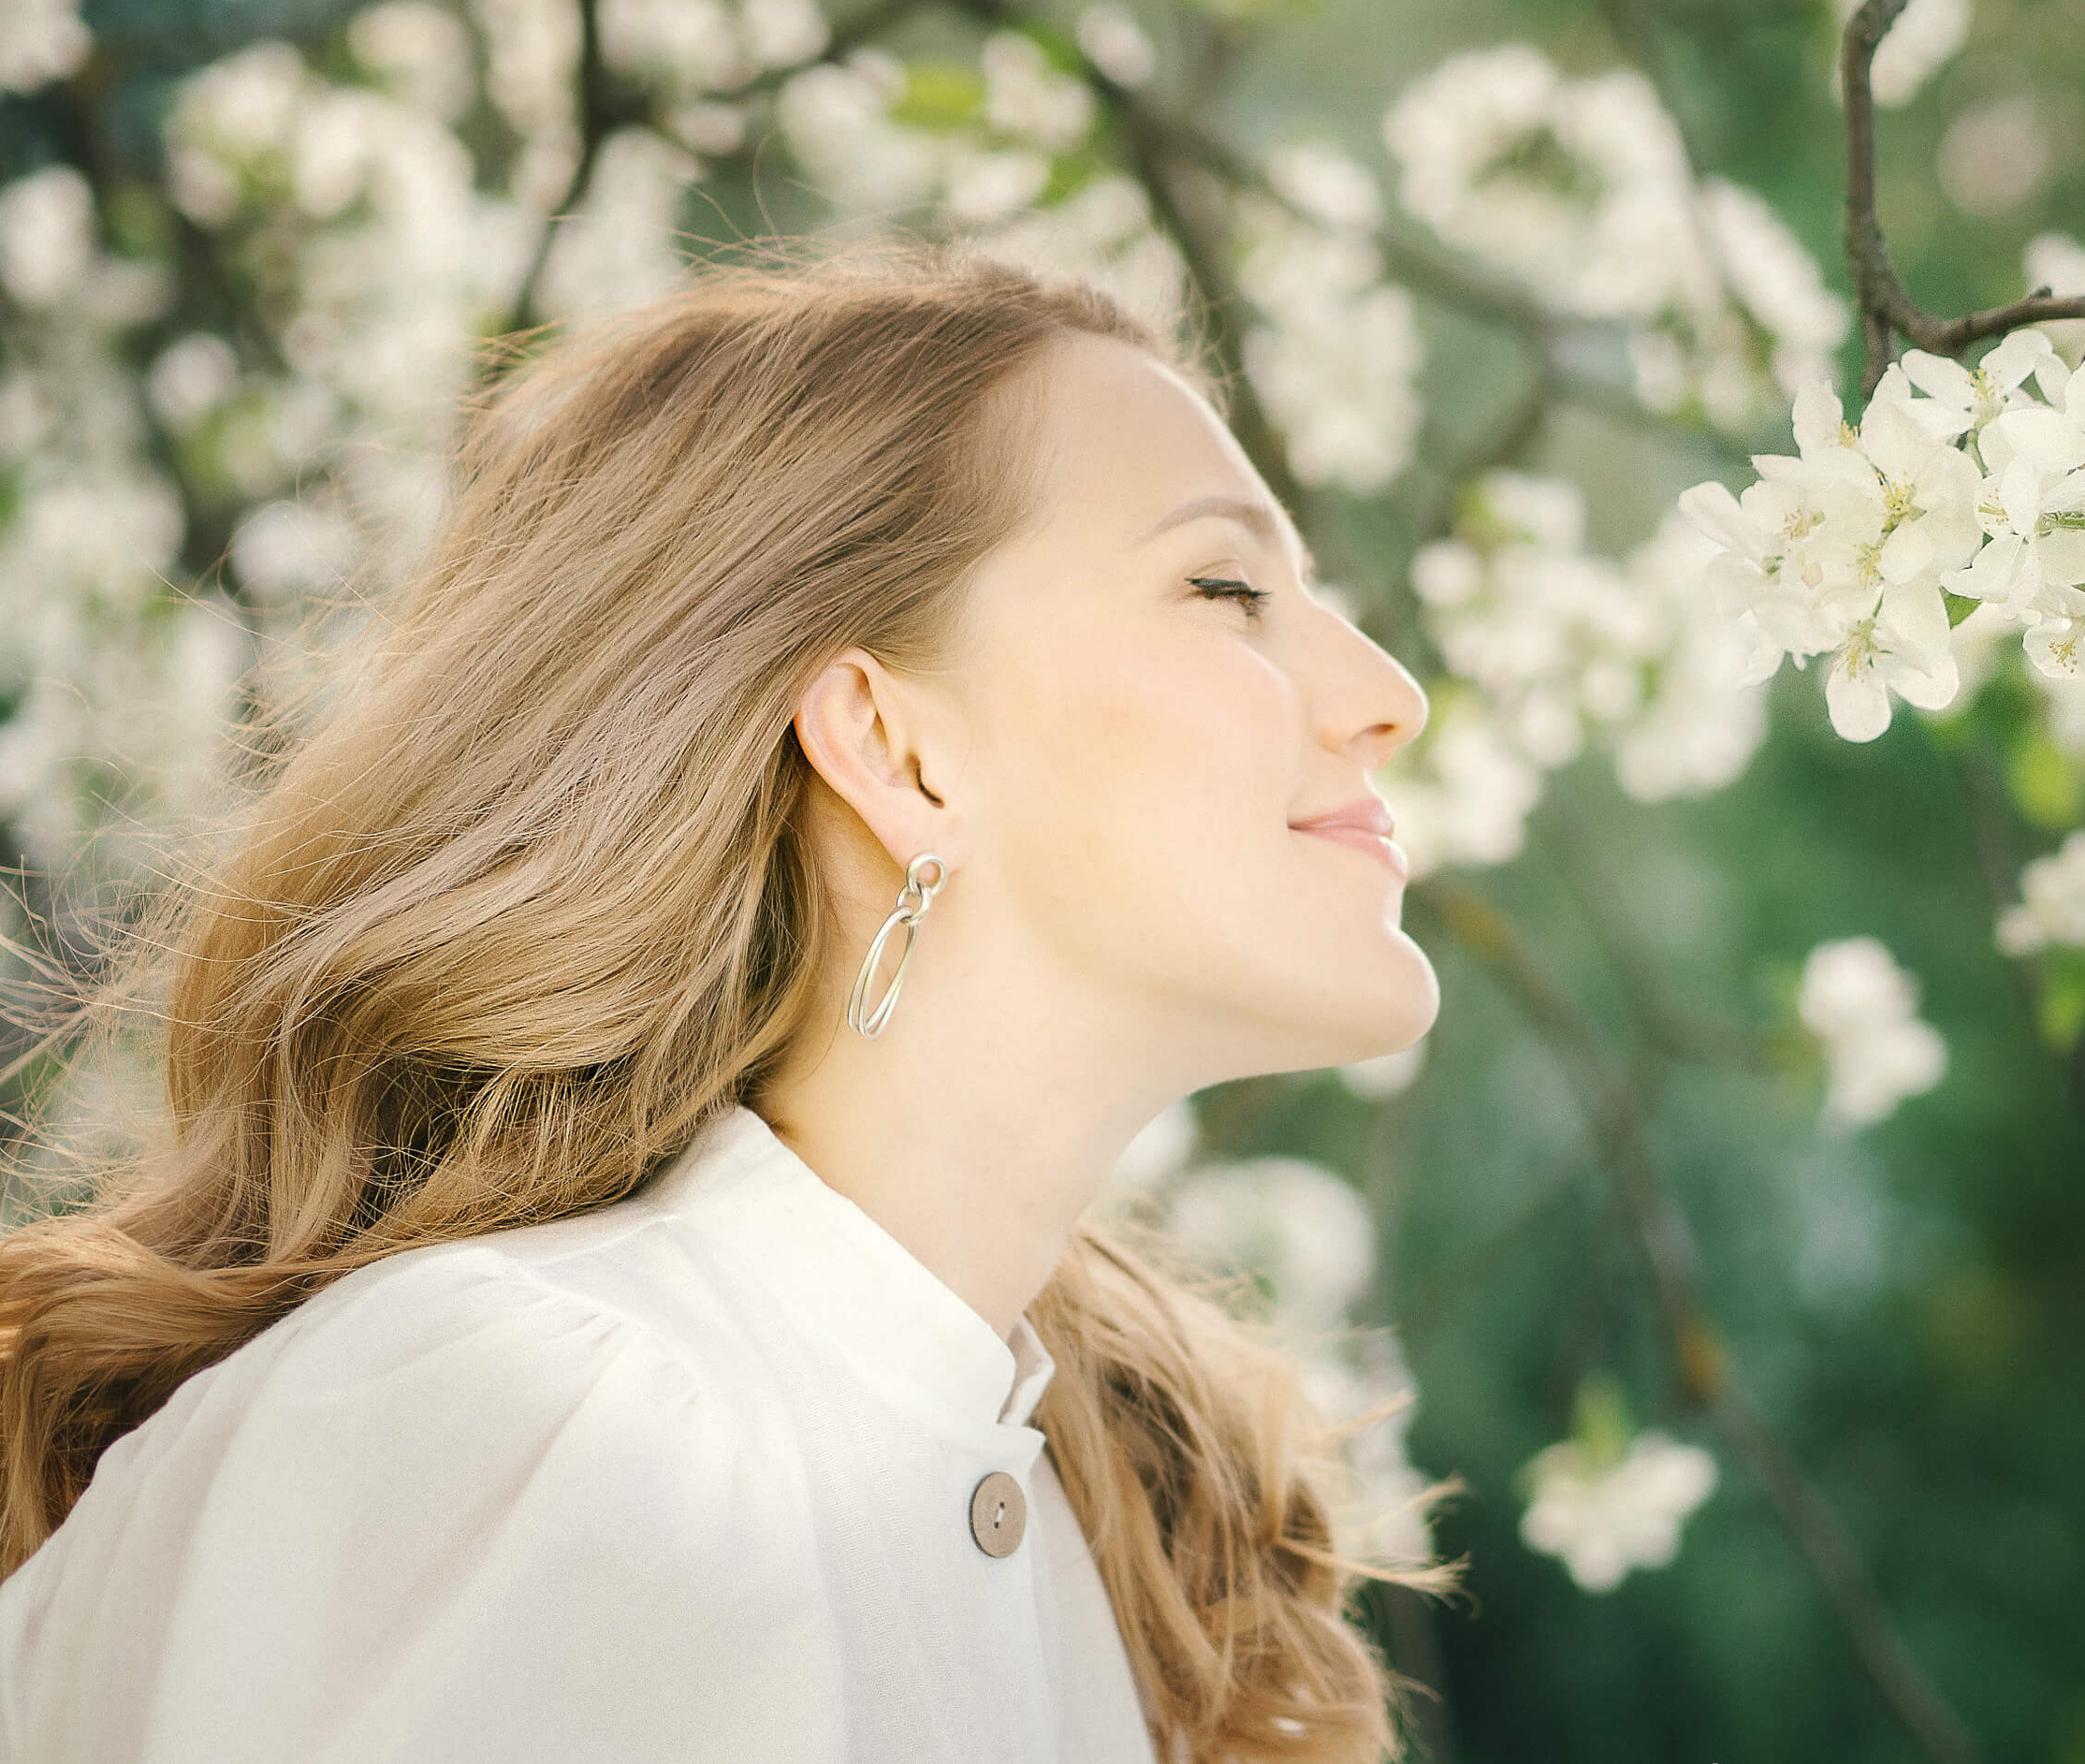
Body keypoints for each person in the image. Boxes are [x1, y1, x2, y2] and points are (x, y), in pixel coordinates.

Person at [0, 242, 1454, 1763]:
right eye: (1227, 589)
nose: (1389, 692)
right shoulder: (538, 1425)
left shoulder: (1074, 1558)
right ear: (899, 754)